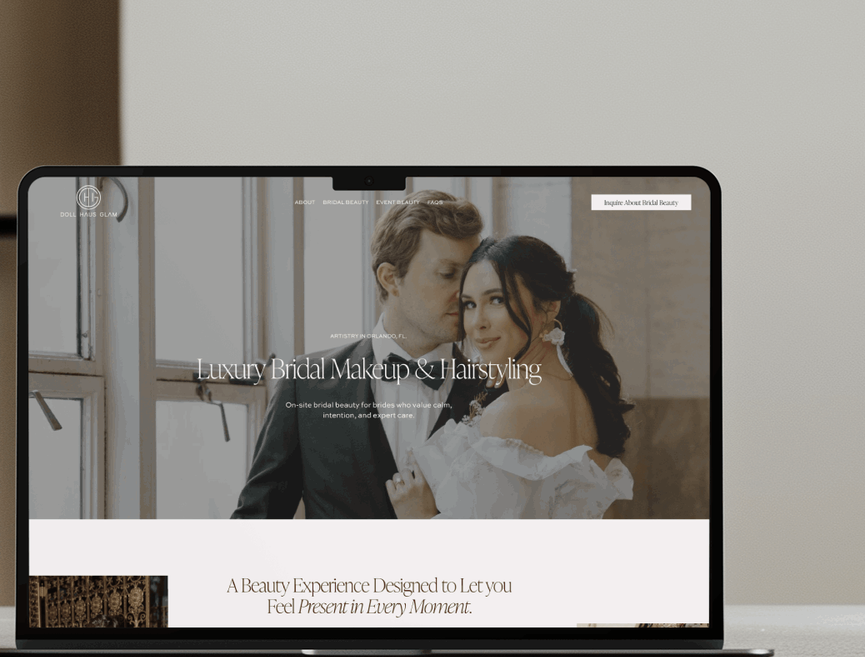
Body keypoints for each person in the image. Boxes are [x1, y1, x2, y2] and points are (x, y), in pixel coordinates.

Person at [231, 190, 485, 518]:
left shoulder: (497, 394)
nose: (466, 293)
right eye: (448, 274)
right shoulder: (304, 384)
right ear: (390, 278)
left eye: (472, 276)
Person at [383, 235, 634, 519]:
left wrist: (418, 519)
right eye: (469, 304)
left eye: (496, 300)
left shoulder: (512, 413)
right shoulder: (583, 395)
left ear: (550, 306)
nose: (477, 323)